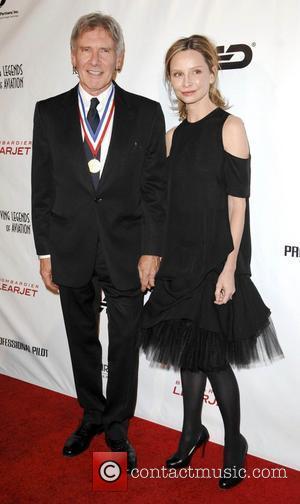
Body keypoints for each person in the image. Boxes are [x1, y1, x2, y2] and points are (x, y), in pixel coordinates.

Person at [140, 35, 284, 488]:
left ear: (211, 74)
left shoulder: (230, 126)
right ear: (171, 79)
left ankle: (235, 442)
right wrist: (157, 255)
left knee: (215, 359)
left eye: (195, 72)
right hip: (179, 259)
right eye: (178, 74)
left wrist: (229, 267)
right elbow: (164, 209)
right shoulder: (169, 138)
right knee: (188, 352)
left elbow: (238, 205)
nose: (187, 81)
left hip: (217, 259)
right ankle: (191, 433)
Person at [31, 12, 166, 474]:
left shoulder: (146, 113)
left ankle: (117, 426)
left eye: (104, 50)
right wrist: (44, 251)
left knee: (124, 340)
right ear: (73, 57)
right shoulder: (47, 112)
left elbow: (154, 190)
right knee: (81, 337)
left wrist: (152, 249)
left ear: (120, 58)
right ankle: (90, 414)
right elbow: (42, 187)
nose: (95, 59)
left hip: (127, 249)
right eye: (86, 50)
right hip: (69, 246)